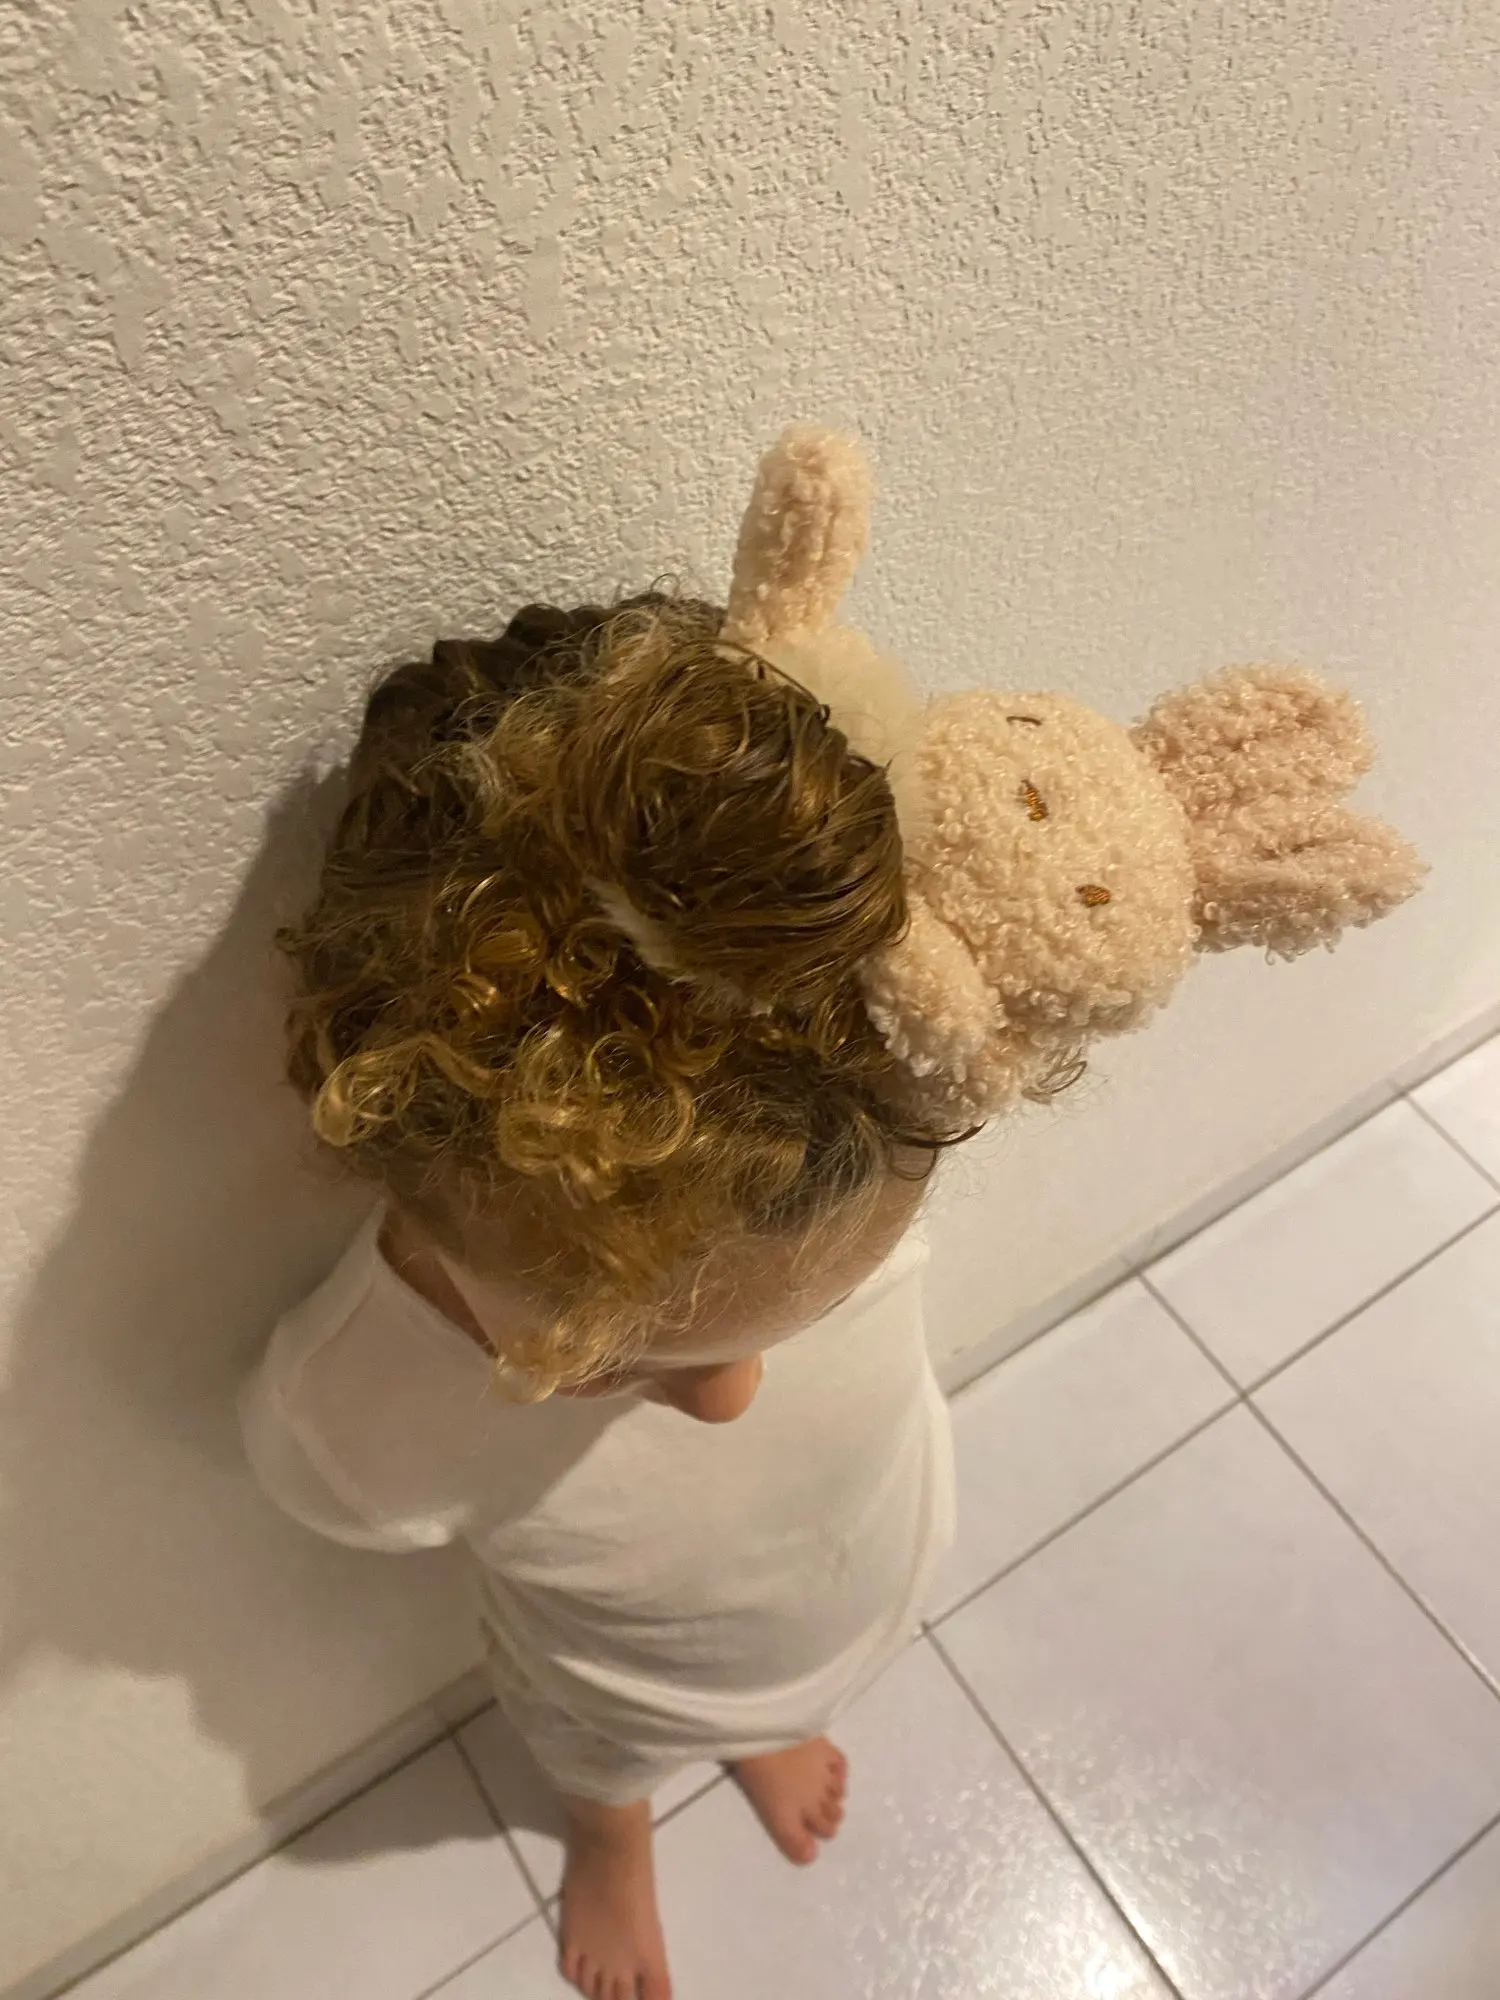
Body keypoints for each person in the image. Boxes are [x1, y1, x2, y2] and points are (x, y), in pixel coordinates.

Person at [240, 592, 971, 2000]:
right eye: (615, 1355)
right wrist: (610, 1792)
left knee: (795, 1673)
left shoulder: (835, 1157)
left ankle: (772, 1722)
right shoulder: (355, 1398)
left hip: (852, 1573)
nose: (732, 1397)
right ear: (413, 1196)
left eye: (805, 1316)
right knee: (601, 1758)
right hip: (614, 1691)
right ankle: (612, 1834)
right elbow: (320, 1480)